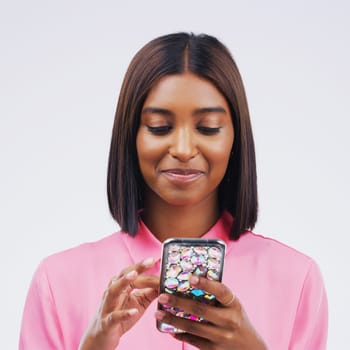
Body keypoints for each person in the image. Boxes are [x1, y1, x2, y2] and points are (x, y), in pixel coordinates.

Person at [19, 32, 328, 350]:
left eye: (207, 127)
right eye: (159, 127)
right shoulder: (57, 281)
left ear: (236, 137)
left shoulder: (297, 278)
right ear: (131, 136)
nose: (182, 149)